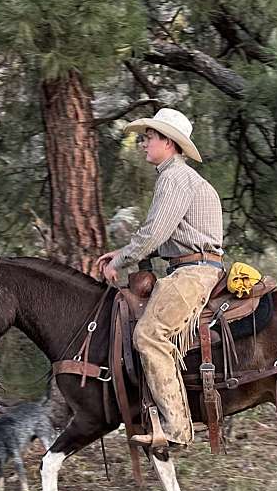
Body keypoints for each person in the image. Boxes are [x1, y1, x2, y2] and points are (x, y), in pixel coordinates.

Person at [96, 108, 224, 450]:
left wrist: (122, 260)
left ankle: (177, 429)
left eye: (149, 137)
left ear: (168, 142)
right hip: (193, 266)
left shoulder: (174, 178)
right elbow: (165, 236)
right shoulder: (178, 177)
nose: (143, 144)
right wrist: (126, 253)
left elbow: (154, 233)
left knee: (149, 335)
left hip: (194, 272)